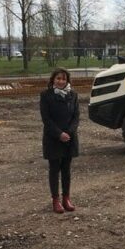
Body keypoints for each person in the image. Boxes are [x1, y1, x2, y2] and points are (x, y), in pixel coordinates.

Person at [40, 68, 79, 213]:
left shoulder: (73, 95)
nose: (61, 81)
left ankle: (66, 198)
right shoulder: (46, 95)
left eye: (63, 79)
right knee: (54, 169)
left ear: (67, 80)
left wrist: (68, 133)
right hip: (53, 138)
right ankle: (55, 200)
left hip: (69, 138)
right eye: (58, 78)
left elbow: (76, 117)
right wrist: (59, 134)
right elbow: (46, 119)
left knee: (66, 170)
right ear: (53, 80)